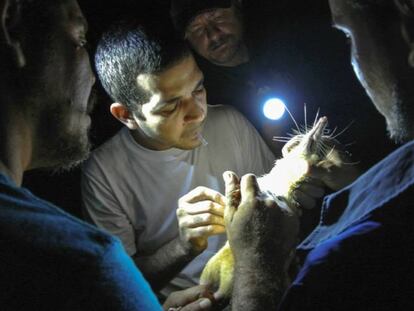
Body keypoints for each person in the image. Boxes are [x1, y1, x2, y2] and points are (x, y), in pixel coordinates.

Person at [212, 0, 414, 309]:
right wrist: (355, 185)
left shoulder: (336, 263)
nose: (352, 62)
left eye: (349, 36)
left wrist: (257, 261)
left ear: (407, 31)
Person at [81, 21, 275, 297]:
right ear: (127, 116)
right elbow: (118, 286)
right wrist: (183, 246)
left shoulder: (229, 123)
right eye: (171, 106)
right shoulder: (103, 173)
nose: (197, 112)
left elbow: (278, 212)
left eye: (198, 89)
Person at [0, 0, 164, 309]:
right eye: (80, 40)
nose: (93, 77)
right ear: (11, 25)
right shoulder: (81, 267)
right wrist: (255, 259)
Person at [170, 0, 397, 166]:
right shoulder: (208, 98)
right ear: (187, 40)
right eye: (198, 30)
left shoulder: (294, 45)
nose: (213, 35)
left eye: (217, 18)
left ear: (238, 7)